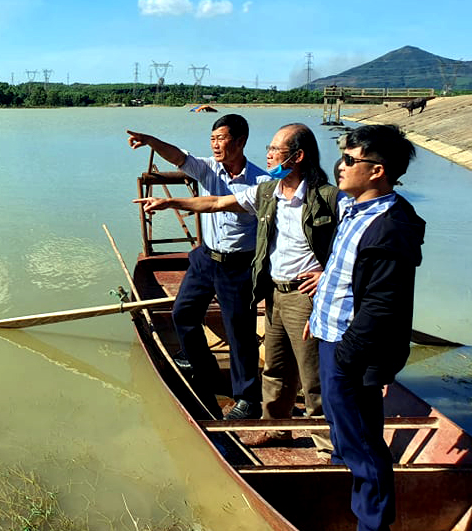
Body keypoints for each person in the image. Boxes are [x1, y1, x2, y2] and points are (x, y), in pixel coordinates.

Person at [135, 123, 342, 459]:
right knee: (193, 319)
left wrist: (329, 272)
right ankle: (263, 418)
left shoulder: (308, 193)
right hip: (233, 270)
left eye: (276, 149)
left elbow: (353, 241)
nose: (270, 153)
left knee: (282, 358)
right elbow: (213, 200)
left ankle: (323, 446)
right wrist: (168, 198)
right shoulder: (262, 189)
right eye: (212, 138)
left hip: (261, 276)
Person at [305, 124, 425, 531]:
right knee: (348, 435)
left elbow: (380, 307)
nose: (340, 166)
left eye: (350, 160)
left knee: (362, 444)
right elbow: (343, 276)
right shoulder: (354, 210)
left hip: (349, 350)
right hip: (331, 335)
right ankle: (357, 508)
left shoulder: (390, 228)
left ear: (377, 171)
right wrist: (319, 317)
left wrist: (346, 355)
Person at [127, 114, 269, 420]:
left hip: (238, 265)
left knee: (239, 332)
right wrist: (151, 140)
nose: (216, 145)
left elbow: (216, 204)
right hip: (206, 259)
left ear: (241, 141)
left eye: (222, 139)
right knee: (183, 313)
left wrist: (169, 203)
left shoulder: (261, 182)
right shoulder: (207, 168)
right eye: (212, 139)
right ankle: (199, 363)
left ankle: (246, 398)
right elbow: (178, 156)